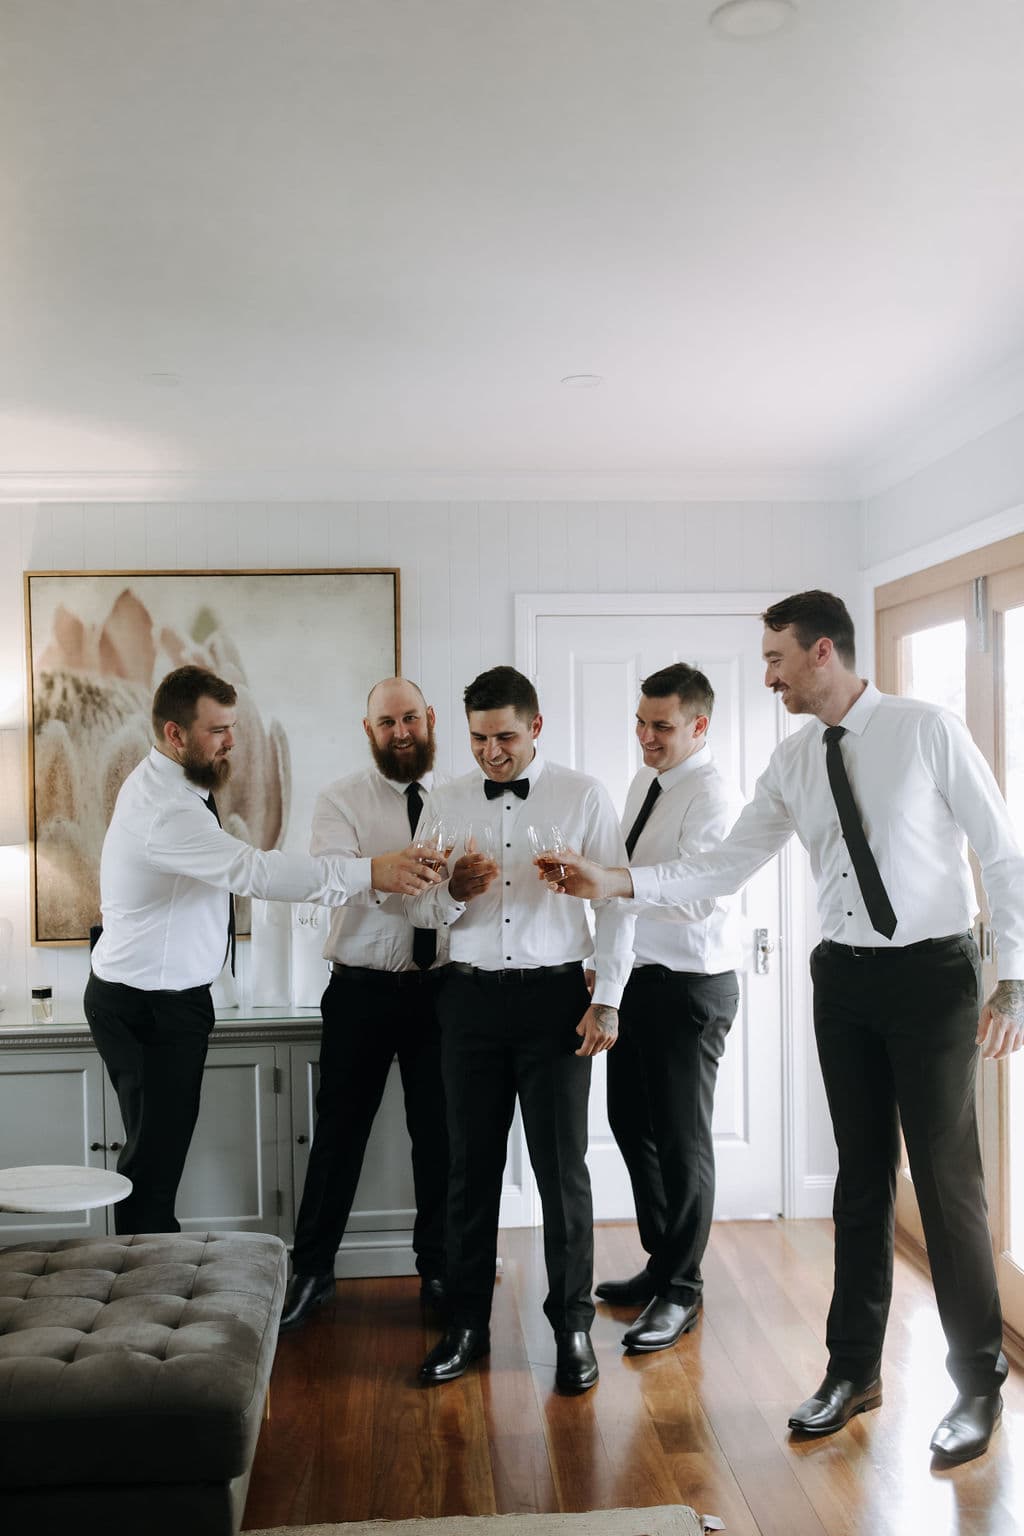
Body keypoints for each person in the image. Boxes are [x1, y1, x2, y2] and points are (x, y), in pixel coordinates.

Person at [548, 591, 1024, 1464]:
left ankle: (977, 1385)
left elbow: (1001, 848)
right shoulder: (793, 761)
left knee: (950, 1189)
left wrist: (1015, 979)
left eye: (774, 660)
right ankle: (854, 1371)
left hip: (932, 976)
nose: (765, 677)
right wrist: (612, 883)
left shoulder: (927, 730)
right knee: (860, 1182)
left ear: (823, 654)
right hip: (841, 978)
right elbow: (722, 866)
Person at [85, 664, 439, 1237]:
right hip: (149, 1006)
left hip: (157, 1000)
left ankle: (152, 1274)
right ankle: (148, 1289)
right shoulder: (167, 808)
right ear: (176, 735)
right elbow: (254, 870)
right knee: (153, 1161)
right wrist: (371, 870)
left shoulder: (171, 782)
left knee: (156, 1155)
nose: (232, 740)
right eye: (219, 729)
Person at [407, 665, 634, 1393]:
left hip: (554, 1001)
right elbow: (419, 911)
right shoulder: (442, 799)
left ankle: (571, 1328)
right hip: (467, 1001)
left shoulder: (584, 795)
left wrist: (609, 999)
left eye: (505, 737)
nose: (491, 753)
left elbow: (617, 902)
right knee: (467, 1170)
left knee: (562, 1172)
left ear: (535, 727)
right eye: (477, 739)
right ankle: (466, 1324)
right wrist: (450, 896)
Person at [280, 677, 451, 1329]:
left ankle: (437, 1270)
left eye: (410, 718)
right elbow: (330, 883)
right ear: (368, 730)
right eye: (387, 723)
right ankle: (313, 1273)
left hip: (440, 993)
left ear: (430, 719)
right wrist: (390, 872)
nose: (401, 732)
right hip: (361, 993)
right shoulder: (340, 800)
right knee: (338, 1139)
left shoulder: (459, 800)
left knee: (438, 1139)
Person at [593, 663, 742, 1353]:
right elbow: (626, 895)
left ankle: (682, 1288)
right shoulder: (644, 782)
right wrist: (608, 985)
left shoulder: (713, 795)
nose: (645, 738)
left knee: (683, 1141)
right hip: (643, 984)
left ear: (699, 726)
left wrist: (614, 879)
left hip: (691, 989)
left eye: (662, 727)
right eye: (641, 723)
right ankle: (663, 1262)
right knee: (629, 1123)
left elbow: (698, 893)